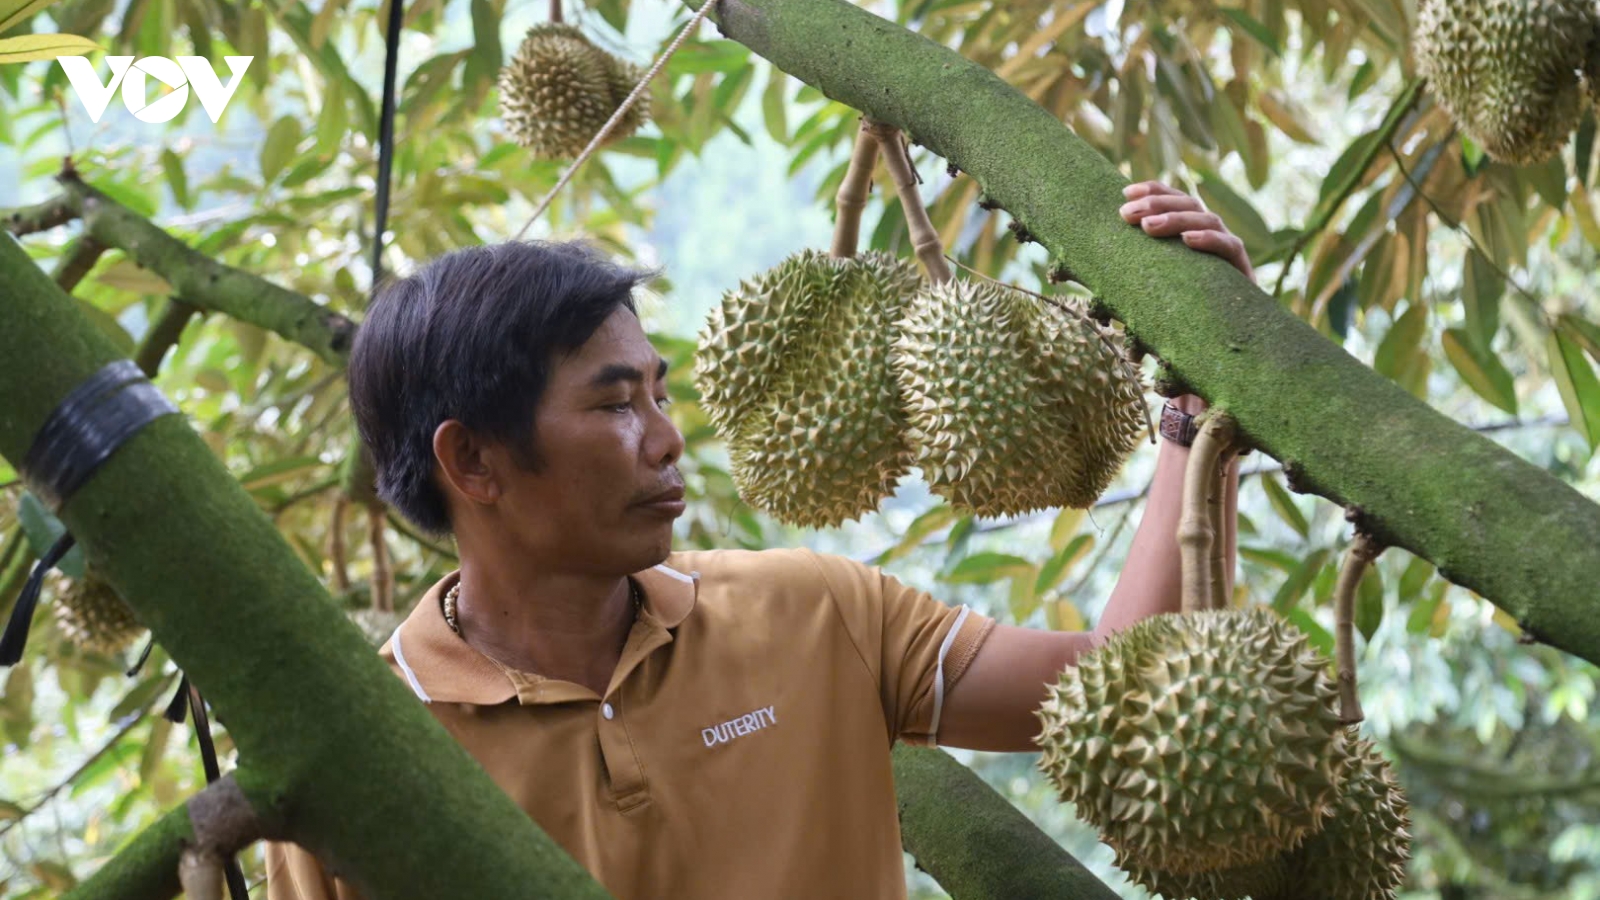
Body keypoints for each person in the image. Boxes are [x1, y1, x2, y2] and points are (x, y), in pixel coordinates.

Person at [263, 181, 1252, 899]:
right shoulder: (360, 766)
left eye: (658, 393)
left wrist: (1202, 406)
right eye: (614, 405)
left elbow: (1122, 686)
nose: (666, 438)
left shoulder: (812, 611)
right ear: (473, 461)